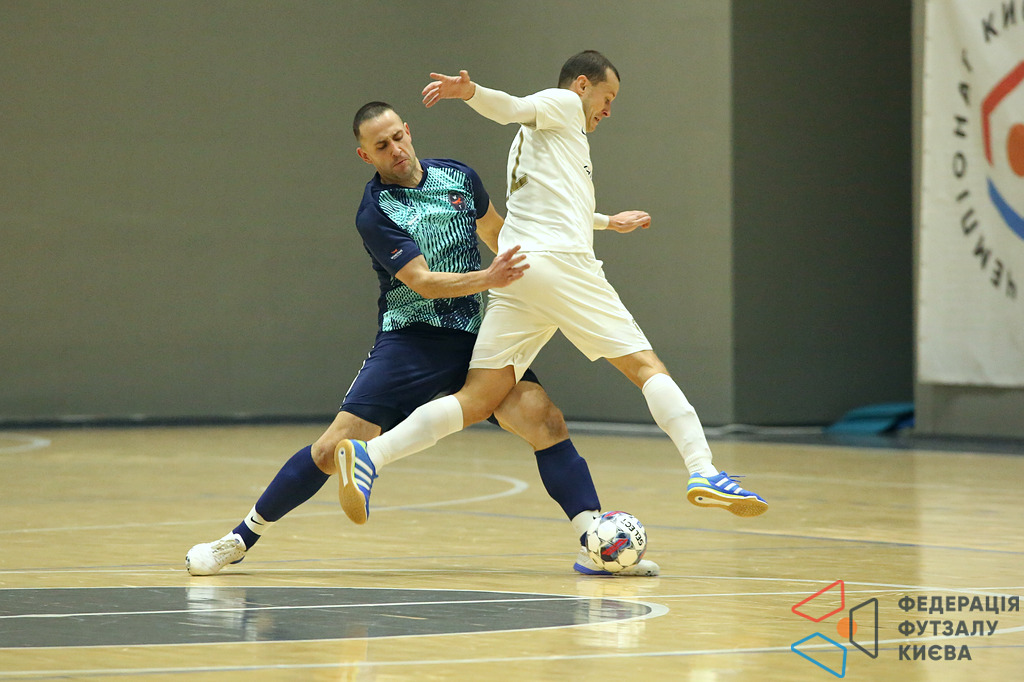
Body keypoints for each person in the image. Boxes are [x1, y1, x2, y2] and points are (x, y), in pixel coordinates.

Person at [185, 100, 659, 578]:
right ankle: (237, 540)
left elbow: (501, 234)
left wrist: (592, 231)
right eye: (381, 146)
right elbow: (423, 282)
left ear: (408, 131)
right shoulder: (376, 212)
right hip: (412, 341)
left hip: (477, 338)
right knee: (332, 449)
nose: (395, 149)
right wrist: (489, 279)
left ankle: (598, 544)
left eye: (397, 137)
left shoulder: (459, 177)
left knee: (545, 419)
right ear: (365, 156)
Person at [335, 51, 767, 527]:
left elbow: (553, 202)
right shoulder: (563, 103)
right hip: (560, 264)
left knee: (478, 399)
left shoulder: (549, 138)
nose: (608, 110)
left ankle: (371, 455)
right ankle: (704, 470)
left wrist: (607, 221)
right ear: (582, 85)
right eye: (607, 97)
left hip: (519, 269)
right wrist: (471, 92)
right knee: (646, 366)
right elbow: (512, 107)